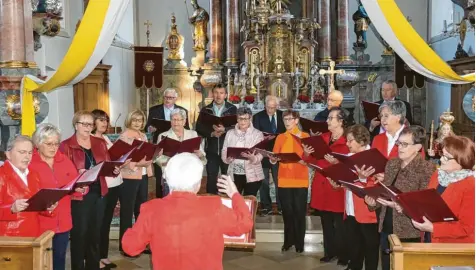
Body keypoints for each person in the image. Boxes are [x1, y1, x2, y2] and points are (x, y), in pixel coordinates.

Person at [121, 153, 253, 270]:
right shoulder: (213, 206)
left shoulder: (152, 209)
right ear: (198, 183)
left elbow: (130, 247)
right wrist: (235, 195)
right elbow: (245, 224)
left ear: (166, 180)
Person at [365, 126, 435, 270]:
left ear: (418, 147)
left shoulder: (426, 169)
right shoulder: (392, 163)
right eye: (399, 143)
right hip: (386, 226)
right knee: (386, 265)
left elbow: (423, 205)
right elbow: (384, 192)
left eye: (405, 144)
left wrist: (400, 206)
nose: (400, 148)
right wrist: (372, 202)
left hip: (409, 230)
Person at [60, 110, 116, 270]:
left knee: (95, 234)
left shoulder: (99, 143)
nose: (87, 127)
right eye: (83, 123)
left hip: (99, 192)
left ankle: (93, 266)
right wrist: (76, 176)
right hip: (79, 195)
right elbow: (62, 173)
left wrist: (114, 170)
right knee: (80, 234)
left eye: (90, 124)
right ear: (75, 125)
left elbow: (106, 165)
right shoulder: (66, 145)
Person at [325, 125, 379, 270]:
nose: (347, 144)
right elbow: (345, 180)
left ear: (361, 141)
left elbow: (376, 186)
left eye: (350, 141)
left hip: (367, 211)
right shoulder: (348, 158)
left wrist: (361, 179)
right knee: (354, 246)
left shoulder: (373, 156)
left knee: (370, 249)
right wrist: (337, 183)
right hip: (350, 208)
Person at [303, 107, 349, 265]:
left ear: (341, 121)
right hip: (322, 185)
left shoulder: (348, 140)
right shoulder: (322, 138)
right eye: (328, 118)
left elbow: (353, 165)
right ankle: (329, 252)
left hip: (337, 186)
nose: (327, 121)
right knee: (326, 223)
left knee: (340, 225)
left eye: (331, 118)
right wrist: (307, 153)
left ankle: (343, 255)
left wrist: (337, 163)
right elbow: (312, 162)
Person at [30, 124, 78, 270]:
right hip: (41, 223)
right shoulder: (30, 163)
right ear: (38, 144)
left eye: (56, 143)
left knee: (59, 259)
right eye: (49, 144)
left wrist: (81, 189)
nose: (54, 147)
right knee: (41, 261)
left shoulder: (65, 160)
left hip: (63, 221)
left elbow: (75, 185)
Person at [412, 135, 474, 243]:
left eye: (447, 157)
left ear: (461, 160)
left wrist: (433, 228)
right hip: (429, 238)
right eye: (442, 154)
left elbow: (466, 228)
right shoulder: (437, 174)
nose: (441, 159)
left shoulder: (470, 185)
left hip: (452, 248)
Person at [269, 110, 309, 253]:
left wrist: (307, 156)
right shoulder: (280, 137)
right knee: (287, 212)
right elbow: (274, 156)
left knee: (299, 212)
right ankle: (288, 242)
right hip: (284, 180)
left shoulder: (305, 137)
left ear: (296, 120)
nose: (287, 122)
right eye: (284, 119)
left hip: (300, 180)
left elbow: (309, 159)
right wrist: (273, 159)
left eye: (290, 119)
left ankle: (300, 243)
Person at [0, 136, 56, 237]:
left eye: (30, 152)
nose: (27, 157)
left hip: (33, 234)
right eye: (22, 152)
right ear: (8, 154)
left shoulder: (34, 174)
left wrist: (47, 207)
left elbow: (36, 204)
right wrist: (11, 208)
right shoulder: (1, 175)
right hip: (9, 238)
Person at [118, 109, 153, 256]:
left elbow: (147, 155)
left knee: (141, 211)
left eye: (140, 120)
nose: (138, 123)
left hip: (143, 176)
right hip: (129, 177)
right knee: (127, 211)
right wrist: (139, 164)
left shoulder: (143, 135)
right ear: (129, 121)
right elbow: (121, 159)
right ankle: (125, 245)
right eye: (135, 120)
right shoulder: (124, 136)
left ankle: (140, 243)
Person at [91, 109, 123, 269]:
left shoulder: (105, 138)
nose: (105, 123)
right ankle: (95, 257)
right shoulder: (89, 140)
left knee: (106, 222)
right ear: (93, 122)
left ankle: (103, 255)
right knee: (98, 223)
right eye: (101, 120)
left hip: (115, 183)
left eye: (106, 120)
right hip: (102, 185)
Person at [145, 88, 189, 199]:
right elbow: (147, 127)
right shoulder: (154, 110)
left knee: (178, 176)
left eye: (171, 98)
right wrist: (150, 129)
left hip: (178, 145)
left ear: (175, 98)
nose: (168, 100)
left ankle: (178, 198)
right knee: (161, 175)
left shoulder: (182, 110)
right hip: (161, 145)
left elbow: (187, 128)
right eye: (166, 97)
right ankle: (161, 200)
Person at [196, 83, 237, 194]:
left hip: (227, 149)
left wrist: (225, 129)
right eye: (216, 93)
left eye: (221, 93)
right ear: (212, 94)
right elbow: (198, 127)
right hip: (211, 149)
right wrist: (211, 133)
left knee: (226, 177)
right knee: (211, 176)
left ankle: (226, 202)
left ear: (226, 95)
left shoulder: (232, 109)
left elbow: (238, 127)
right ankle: (211, 202)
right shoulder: (205, 109)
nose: (218, 96)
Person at [156, 108, 206, 196]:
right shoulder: (163, 136)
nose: (176, 122)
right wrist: (166, 160)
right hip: (171, 176)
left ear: (184, 121)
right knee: (170, 205)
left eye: (179, 120)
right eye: (173, 119)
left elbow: (203, 157)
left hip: (189, 176)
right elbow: (157, 159)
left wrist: (200, 155)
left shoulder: (192, 134)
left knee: (188, 206)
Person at [252, 95, 286, 215]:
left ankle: (281, 206)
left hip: (278, 153)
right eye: (268, 107)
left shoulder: (283, 116)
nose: (270, 110)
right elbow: (254, 135)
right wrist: (264, 138)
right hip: (263, 153)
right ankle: (266, 206)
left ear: (277, 106)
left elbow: (286, 133)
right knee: (264, 181)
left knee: (279, 180)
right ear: (264, 105)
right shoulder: (258, 117)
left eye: (273, 107)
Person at [222, 107, 264, 196]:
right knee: (234, 201)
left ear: (250, 118)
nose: (242, 121)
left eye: (245, 119)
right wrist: (227, 159)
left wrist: (253, 158)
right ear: (237, 119)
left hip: (253, 175)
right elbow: (224, 151)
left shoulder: (258, 134)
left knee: (249, 202)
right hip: (234, 174)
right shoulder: (230, 133)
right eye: (240, 118)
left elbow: (261, 154)